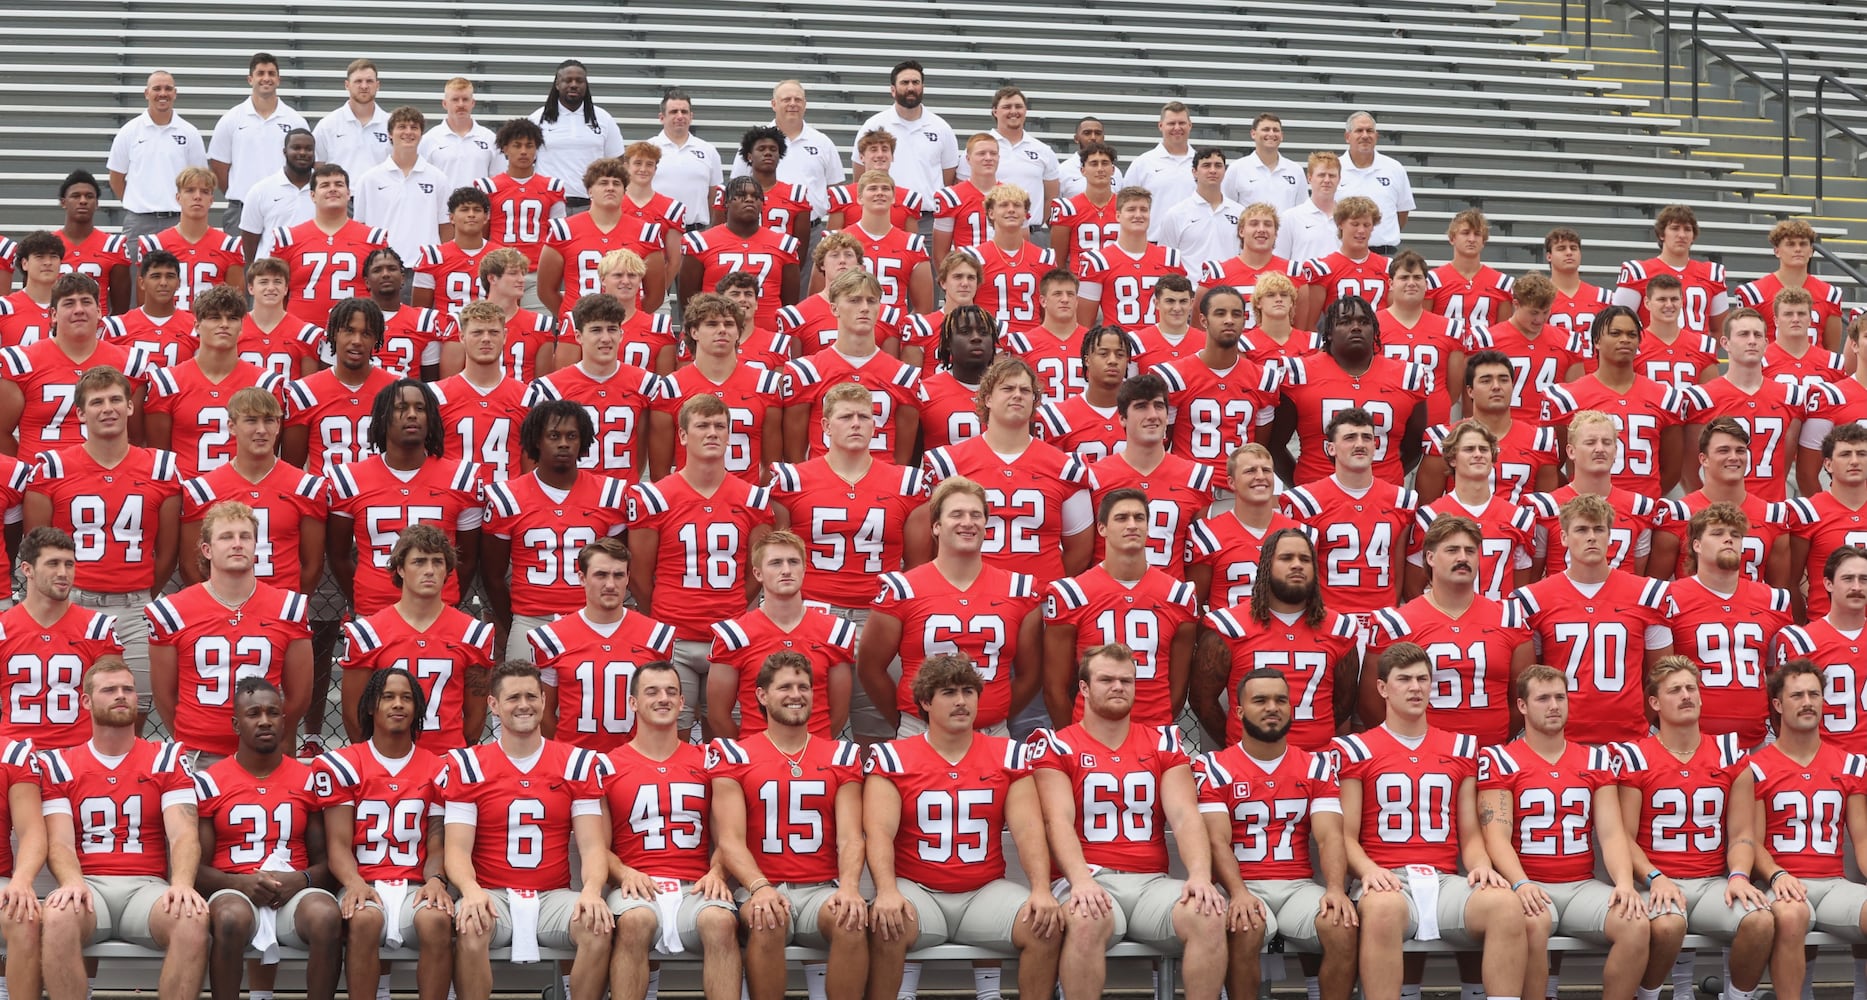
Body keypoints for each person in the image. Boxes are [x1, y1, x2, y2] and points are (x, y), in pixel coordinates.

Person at [1029, 644, 1227, 1000]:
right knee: (1086, 920)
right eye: (1106, 679)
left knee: (1207, 913)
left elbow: (1184, 815)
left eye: (1127, 680)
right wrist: (1080, 880)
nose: (1118, 687)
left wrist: (1199, 875)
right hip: (1090, 876)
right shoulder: (1058, 745)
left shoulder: (1163, 742)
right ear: (1084, 688)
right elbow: (1057, 821)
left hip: (1150, 882)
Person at [863, 655, 1064, 1000]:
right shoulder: (894, 757)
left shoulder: (1008, 754)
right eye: (949, 692)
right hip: (918, 891)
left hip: (984, 892)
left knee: (1044, 926)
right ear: (925, 702)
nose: (961, 701)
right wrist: (886, 890)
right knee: (886, 924)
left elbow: (1029, 830)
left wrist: (1041, 889)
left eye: (968, 691)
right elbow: (879, 833)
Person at [1336, 643, 1526, 1000]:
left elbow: (1470, 834)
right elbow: (1344, 836)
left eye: (1423, 679)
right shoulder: (1357, 749)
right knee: (1383, 909)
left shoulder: (1460, 748)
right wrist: (1368, 871)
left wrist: (1482, 866)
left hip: (1442, 880)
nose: (1415, 687)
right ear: (1382, 688)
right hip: (1387, 878)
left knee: (1505, 905)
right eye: (1404, 679)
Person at [1475, 665, 1650, 1000]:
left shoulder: (1594, 759)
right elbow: (1495, 836)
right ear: (1522, 706)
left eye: (1560, 697)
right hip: (1530, 882)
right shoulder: (1501, 759)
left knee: (1636, 923)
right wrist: (1520, 883)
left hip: (1581, 885)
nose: (1554, 705)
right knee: (1532, 923)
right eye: (1543, 698)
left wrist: (1625, 884)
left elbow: (1612, 834)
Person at [443, 661, 614, 1000]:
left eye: (531, 696)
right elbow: (457, 850)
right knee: (471, 923)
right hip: (493, 893)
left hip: (553, 895)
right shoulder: (469, 765)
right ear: (493, 705)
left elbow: (593, 846)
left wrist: (593, 889)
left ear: (544, 700)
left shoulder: (575, 763)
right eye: (513, 698)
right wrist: (470, 889)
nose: (524, 705)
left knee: (597, 925)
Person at [769, 383, 930, 743]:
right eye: (846, 417)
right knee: (809, 726)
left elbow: (918, 569)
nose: (856, 424)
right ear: (825, 426)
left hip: (878, 617)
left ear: (876, 426)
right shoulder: (793, 481)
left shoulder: (906, 483)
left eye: (864, 417)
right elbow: (775, 557)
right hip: (813, 613)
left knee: (878, 730)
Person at [39, 656, 207, 1000]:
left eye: (128, 689)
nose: (121, 696)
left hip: (146, 889)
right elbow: (59, 841)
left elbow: (183, 833)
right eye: (110, 689)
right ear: (86, 701)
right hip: (89, 887)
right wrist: (72, 882)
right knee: (57, 916)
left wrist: (182, 884)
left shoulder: (166, 757)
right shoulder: (60, 763)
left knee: (191, 916)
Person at [22, 366, 178, 722]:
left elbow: (167, 550)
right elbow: (37, 545)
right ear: (80, 412)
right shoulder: (53, 467)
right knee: (72, 716)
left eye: (114, 400)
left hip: (136, 608)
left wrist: (139, 590)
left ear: (129, 407)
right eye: (96, 402)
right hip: (72, 605)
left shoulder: (160, 468)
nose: (106, 408)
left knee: (131, 715)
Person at [709, 654, 868, 1000]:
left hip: (820, 888)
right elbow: (730, 840)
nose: (796, 694)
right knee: (768, 919)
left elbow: (851, 836)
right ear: (762, 696)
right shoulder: (737, 755)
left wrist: (851, 887)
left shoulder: (839, 755)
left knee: (851, 919)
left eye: (803, 687)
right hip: (760, 887)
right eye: (785, 687)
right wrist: (759, 887)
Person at [1195, 667, 1358, 1000]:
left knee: (1341, 924)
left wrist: (1336, 890)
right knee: (1246, 924)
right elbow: (1216, 841)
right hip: (1241, 884)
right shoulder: (1214, 766)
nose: (1272, 707)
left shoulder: (1316, 766)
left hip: (1297, 885)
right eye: (1260, 700)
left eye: (1281, 700)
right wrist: (1238, 892)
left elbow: (1329, 837)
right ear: (1239, 711)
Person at [1615, 657, 1772, 1000]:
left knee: (1760, 920)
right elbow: (1622, 837)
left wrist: (1740, 875)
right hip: (1656, 881)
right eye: (1675, 690)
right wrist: (1655, 878)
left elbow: (1743, 832)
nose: (1686, 696)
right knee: (1669, 925)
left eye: (1691, 688)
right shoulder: (1636, 756)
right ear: (1654, 703)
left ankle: (1737, 996)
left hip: (1710, 882)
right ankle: (1648, 995)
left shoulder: (1729, 753)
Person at [628, 394, 775, 734]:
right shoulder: (654, 497)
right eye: (702, 425)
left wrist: (737, 604)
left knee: (728, 739)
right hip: (674, 636)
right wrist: (667, 614)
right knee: (668, 737)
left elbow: (757, 572)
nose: (712, 433)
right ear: (682, 435)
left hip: (729, 636)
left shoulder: (753, 498)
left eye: (720, 426)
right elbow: (639, 574)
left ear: (729, 435)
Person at [857, 476, 1042, 737]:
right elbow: (870, 668)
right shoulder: (903, 589)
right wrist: (908, 717)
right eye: (957, 514)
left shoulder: (1019, 590)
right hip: (919, 731)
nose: (968, 522)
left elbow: (1030, 676)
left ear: (986, 525)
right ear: (936, 526)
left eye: (976, 515)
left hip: (992, 732)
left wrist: (995, 711)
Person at [194, 677, 342, 1000]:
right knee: (231, 919)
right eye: (254, 713)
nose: (264, 720)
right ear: (236, 724)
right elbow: (195, 871)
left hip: (293, 895)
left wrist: (299, 880)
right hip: (233, 890)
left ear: (285, 720)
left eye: (273, 712)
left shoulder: (308, 780)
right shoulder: (209, 783)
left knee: (327, 916)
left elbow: (328, 863)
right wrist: (240, 884)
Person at [315, 666, 453, 1000]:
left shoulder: (438, 768)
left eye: (407, 697)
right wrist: (354, 884)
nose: (398, 704)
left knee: (436, 920)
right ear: (369, 706)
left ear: (418, 708)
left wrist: (436, 880)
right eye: (388, 696)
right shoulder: (345, 764)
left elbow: (436, 843)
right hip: (365, 880)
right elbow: (337, 845)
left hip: (415, 885)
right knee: (363, 921)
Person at [605, 660, 740, 1000]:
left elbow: (730, 834)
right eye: (651, 692)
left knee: (721, 923)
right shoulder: (606, 765)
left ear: (683, 703)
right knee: (634, 922)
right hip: (637, 887)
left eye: (671, 692)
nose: (662, 699)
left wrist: (718, 871)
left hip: (694, 886)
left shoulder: (709, 758)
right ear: (633, 702)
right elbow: (596, 846)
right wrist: (623, 873)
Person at [148, 500, 311, 763]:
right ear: (207, 549)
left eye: (245, 536)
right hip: (198, 753)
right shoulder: (172, 612)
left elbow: (299, 695)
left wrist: (270, 735)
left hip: (262, 753)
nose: (237, 543)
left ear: (255, 546)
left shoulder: (289, 607)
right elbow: (165, 696)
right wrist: (194, 735)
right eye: (226, 537)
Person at [1745, 658, 1867, 1000]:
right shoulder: (1755, 767)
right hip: (1782, 882)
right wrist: (1776, 875)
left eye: (1815, 694)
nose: (1808, 702)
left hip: (1832, 884)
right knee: (1790, 913)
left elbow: (1863, 839)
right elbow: (1750, 841)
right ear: (1778, 704)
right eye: (1797, 695)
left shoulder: (1850, 763)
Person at [1510, 494, 1673, 745]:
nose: (1591, 537)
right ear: (1563, 537)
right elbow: (1528, 678)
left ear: (1610, 536)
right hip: (1561, 739)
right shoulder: (1534, 599)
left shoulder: (1648, 594)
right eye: (1581, 529)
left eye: (1599, 529)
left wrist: (1638, 718)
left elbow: (1660, 675)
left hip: (1630, 738)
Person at [922, 355, 1090, 584]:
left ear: (1035, 401)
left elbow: (1079, 550)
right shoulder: (947, 463)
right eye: (1008, 388)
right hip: (971, 597)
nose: (1017, 395)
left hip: (1040, 598)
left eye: (1025, 390)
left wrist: (1044, 587)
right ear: (988, 399)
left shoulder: (1065, 468)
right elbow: (930, 541)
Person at [327, 379, 484, 618]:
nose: (412, 415)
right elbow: (339, 556)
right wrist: (367, 597)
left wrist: (442, 599)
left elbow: (467, 559)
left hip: (439, 612)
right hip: (373, 613)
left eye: (420, 409)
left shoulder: (462, 478)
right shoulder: (348, 479)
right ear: (382, 417)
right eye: (401, 408)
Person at [1042, 488, 1200, 726]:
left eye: (1139, 518)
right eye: (1121, 517)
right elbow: (1055, 688)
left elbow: (1177, 690)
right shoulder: (1072, 594)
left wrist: (1156, 724)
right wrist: (1076, 737)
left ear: (1148, 527)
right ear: (1102, 528)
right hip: (1090, 733)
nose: (1132, 525)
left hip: (1153, 731)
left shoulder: (1179, 595)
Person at [1191, 527, 1359, 750]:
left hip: (1316, 763)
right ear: (1266, 565)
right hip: (1249, 765)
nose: (1297, 564)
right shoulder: (1229, 627)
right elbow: (1203, 701)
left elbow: (1343, 703)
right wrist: (1243, 746)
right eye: (1286, 558)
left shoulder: (1340, 629)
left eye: (1305, 559)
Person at [1372, 514, 1533, 746]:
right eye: (1452, 550)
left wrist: (1493, 737)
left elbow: (1523, 699)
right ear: (1430, 557)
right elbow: (1374, 703)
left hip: (1490, 755)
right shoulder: (1398, 623)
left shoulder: (1509, 618)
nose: (1462, 558)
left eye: (1470, 551)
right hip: (1423, 758)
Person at [482, 395, 627, 634]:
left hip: (592, 617)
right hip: (531, 618)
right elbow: (493, 576)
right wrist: (515, 623)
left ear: (583, 441)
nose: (563, 443)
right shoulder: (506, 497)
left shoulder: (610, 494)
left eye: (571, 436)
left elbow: (619, 564)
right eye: (553, 436)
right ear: (537, 440)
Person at [339, 526, 495, 746]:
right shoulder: (367, 633)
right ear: (400, 569)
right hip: (389, 761)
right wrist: (377, 760)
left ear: (447, 570)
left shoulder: (474, 633)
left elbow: (475, 718)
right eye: (419, 561)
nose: (430, 570)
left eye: (437, 562)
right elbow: (354, 715)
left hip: (447, 760)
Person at [1283, 406, 1421, 645]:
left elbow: (1398, 566)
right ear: (1331, 448)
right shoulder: (1306, 501)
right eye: (1350, 437)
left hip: (1381, 620)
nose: (1360, 444)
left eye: (1367, 437)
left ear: (1376, 445)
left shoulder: (1402, 500)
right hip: (1329, 621)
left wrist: (1391, 613)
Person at [523, 532, 673, 752]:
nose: (611, 584)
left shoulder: (656, 636)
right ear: (582, 578)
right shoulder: (552, 638)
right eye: (601, 575)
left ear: (628, 578)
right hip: (574, 760)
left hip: (637, 761)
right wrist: (566, 755)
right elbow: (544, 712)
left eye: (618, 575)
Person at [1661, 501, 1793, 747]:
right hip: (1690, 743)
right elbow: (1658, 675)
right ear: (1696, 545)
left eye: (1735, 534)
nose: (1729, 539)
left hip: (1756, 740)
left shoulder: (1774, 599)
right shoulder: (1668, 597)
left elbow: (1779, 677)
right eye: (1717, 533)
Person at [709, 530, 855, 740]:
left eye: (793, 562)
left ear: (804, 569)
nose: (786, 570)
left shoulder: (835, 632)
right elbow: (718, 716)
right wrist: (750, 752)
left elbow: (839, 712)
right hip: (756, 757)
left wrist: (812, 747)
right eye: (776, 563)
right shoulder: (734, 635)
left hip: (817, 755)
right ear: (758, 573)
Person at [1272, 296, 1432, 487]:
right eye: (1345, 321)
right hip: (1317, 500)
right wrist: (1303, 488)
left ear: (1374, 330)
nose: (1356, 327)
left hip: (1384, 500)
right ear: (1329, 332)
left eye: (1364, 322)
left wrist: (1384, 482)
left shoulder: (1408, 376)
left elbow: (1414, 448)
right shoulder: (1299, 374)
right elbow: (1274, 446)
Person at [179, 386, 325, 593]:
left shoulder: (306, 487)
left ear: (278, 426)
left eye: (269, 420)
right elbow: (190, 566)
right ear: (231, 426)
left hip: (281, 609)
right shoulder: (203, 490)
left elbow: (313, 566)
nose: (261, 430)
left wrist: (289, 606)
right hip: (223, 606)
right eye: (251, 420)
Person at [1, 273, 157, 458]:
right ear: (53, 315)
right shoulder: (22, 362)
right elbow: (2, 433)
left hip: (104, 476)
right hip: (42, 479)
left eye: (86, 302)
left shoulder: (129, 362)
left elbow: (136, 437)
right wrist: (27, 472)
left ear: (99, 311)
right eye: (69, 303)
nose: (79, 310)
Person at [1544, 305, 1688, 499]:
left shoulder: (1665, 397)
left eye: (1631, 334)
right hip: (1587, 514)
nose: (1624, 340)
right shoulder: (1567, 397)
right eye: (1615, 333)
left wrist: (1638, 503)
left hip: (1643, 513)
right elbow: (1550, 467)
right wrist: (1578, 496)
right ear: (1596, 341)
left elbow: (1672, 470)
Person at [144, 284, 286, 479]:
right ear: (196, 326)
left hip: (244, 495)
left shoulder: (265, 383)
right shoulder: (167, 382)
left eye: (232, 318)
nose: (224, 324)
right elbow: (161, 455)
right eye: (215, 317)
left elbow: (270, 453)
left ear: (242, 327)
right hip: (188, 495)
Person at [0, 528, 124, 749]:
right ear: (27, 569)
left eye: (69, 564)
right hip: (16, 755)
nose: (63, 572)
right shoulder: (3, 629)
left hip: (78, 755)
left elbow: (113, 700)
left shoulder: (96, 628)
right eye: (53, 563)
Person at [781, 269, 921, 463]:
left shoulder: (904, 376)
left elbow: (902, 460)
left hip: (882, 486)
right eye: (854, 300)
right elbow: (795, 458)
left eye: (871, 301)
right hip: (822, 484)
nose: (864, 308)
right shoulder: (806, 372)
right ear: (834, 308)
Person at [522, 293, 662, 482]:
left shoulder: (646, 384)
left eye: (612, 329)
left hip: (621, 495)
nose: (606, 338)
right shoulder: (550, 389)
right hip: (571, 495)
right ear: (578, 336)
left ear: (621, 334)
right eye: (596, 330)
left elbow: (643, 450)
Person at [1153, 285, 1281, 491]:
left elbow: (1260, 446)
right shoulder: (1174, 376)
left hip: (1240, 490)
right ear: (1203, 320)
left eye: (1236, 314)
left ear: (1245, 320)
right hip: (1189, 487)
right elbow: (1161, 444)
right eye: (1220, 313)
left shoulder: (1264, 378)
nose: (1229, 320)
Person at [1679, 307, 1812, 502]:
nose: (1752, 341)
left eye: (1757, 335)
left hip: (1769, 511)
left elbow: (1783, 465)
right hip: (1720, 513)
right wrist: (1706, 508)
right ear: (1725, 343)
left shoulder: (1791, 396)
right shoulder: (1702, 398)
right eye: (1743, 334)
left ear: (1766, 343)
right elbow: (1689, 469)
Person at [1085, 374, 1214, 574]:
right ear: (1122, 418)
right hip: (1110, 599)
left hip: (1168, 600)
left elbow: (1197, 559)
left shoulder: (1196, 477)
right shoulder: (1094, 476)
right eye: (1141, 406)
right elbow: (1081, 553)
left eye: (1159, 406)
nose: (1153, 414)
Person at [1401, 421, 1535, 602]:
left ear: (1493, 457)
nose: (1478, 454)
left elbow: (1520, 591)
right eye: (1469, 449)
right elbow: (1412, 589)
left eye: (1484, 449)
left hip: (1497, 624)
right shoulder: (1429, 517)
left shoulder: (1519, 518)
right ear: (1452, 459)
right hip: (1448, 624)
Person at [1650, 419, 1793, 585]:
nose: (1734, 457)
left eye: (1740, 451)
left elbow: (1779, 592)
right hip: (1694, 608)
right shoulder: (1678, 514)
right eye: (1723, 450)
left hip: (1751, 610)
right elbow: (1656, 589)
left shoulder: (1772, 516)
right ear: (1703, 459)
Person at [1523, 408, 1662, 576]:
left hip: (1621, 600)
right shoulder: (1547, 507)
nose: (1600, 449)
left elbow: (1638, 577)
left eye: (1607, 442)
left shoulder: (1640, 507)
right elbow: (1535, 577)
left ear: (1616, 450)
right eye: (1590, 442)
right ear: (1571, 451)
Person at [1415, 349, 1561, 504]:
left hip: (1516, 527)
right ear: (1470, 391)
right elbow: (1428, 510)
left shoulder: (1540, 440)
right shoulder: (1443, 438)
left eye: (1504, 380)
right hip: (1461, 526)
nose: (1496, 386)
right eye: (1486, 380)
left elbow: (1545, 510)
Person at [281, 296, 397, 475]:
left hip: (379, 499)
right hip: (325, 498)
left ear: (376, 338)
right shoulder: (304, 392)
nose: (357, 340)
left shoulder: (396, 390)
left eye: (366, 333)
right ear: (334, 333)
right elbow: (293, 470)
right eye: (349, 331)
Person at [268, 164, 392, 325]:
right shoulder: (288, 238)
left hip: (356, 330)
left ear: (348, 194)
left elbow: (384, 292)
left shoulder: (373, 238)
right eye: (325, 185)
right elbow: (275, 291)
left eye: (339, 184)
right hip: (300, 331)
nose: (332, 189)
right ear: (312, 195)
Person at [1186, 444, 1302, 608]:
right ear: (1231, 482)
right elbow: (1194, 606)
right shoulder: (1206, 536)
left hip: (1282, 631)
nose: (1260, 476)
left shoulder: (1300, 533)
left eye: (1266, 470)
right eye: (1250, 471)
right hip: (1229, 631)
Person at [682, 175, 802, 331]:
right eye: (741, 196)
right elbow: (690, 301)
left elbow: (789, 302)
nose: (749, 200)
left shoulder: (784, 244)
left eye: (755, 197)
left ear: (762, 204)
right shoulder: (700, 243)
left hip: (767, 335)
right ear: (726, 203)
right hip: (715, 332)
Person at [108, 71, 210, 254]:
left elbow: (201, 180)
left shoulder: (190, 133)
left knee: (181, 279)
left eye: (168, 89)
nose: (163, 93)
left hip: (179, 222)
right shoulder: (129, 132)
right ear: (147, 93)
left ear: (175, 93)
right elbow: (116, 177)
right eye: (157, 88)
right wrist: (137, 203)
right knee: (135, 280)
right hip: (139, 223)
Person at [209, 53, 308, 238]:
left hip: (284, 209)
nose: (266, 78)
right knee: (242, 266)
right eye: (260, 73)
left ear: (279, 79)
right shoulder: (231, 119)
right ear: (250, 79)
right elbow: (219, 165)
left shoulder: (296, 121)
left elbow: (304, 166)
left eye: (271, 73)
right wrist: (240, 193)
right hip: (241, 209)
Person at [430, 298, 529, 481]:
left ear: (505, 336)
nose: (486, 339)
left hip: (507, 502)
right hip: (455, 502)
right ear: (461, 337)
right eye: (477, 332)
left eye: (493, 332)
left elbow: (530, 468)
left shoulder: (527, 398)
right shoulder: (436, 396)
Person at [1464, 271, 1582, 423]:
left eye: (1545, 312)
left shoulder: (1567, 340)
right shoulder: (1486, 339)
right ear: (1516, 305)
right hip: (1500, 427)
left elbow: (1573, 398)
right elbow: (1470, 399)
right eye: (1533, 313)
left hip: (1547, 432)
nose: (1539, 319)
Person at [1778, 546, 1867, 739]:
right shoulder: (1803, 641)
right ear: (1828, 583)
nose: (1857, 587)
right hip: (1827, 762)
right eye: (1848, 578)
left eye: (1864, 579)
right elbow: (1783, 713)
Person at [477, 117, 567, 307]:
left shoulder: (552, 186)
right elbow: (482, 236)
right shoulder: (489, 187)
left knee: (538, 331)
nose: (524, 151)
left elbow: (558, 237)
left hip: (537, 273)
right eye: (517, 145)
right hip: (500, 272)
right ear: (505, 148)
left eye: (529, 145)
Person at [729, 80, 844, 222]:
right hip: (763, 226)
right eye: (786, 99)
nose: (793, 104)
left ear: (805, 104)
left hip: (812, 229)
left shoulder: (823, 143)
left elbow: (835, 189)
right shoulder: (754, 141)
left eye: (798, 99)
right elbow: (737, 185)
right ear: (774, 104)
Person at [1075, 187, 1191, 328]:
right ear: (1118, 216)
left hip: (1158, 344)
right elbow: (1084, 323)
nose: (1138, 215)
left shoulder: (1170, 258)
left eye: (1144, 210)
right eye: (1131, 209)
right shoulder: (1097, 261)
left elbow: (1180, 313)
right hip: (1118, 345)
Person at [1612, 204, 1731, 339]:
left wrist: (1704, 352)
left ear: (1693, 236)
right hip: (1652, 356)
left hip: (1697, 357)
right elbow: (1617, 324)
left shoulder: (1711, 273)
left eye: (1687, 229)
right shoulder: (1639, 272)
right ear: (1662, 234)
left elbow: (1719, 330)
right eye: (1674, 228)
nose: (1681, 235)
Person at [852, 60, 958, 211]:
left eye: (916, 82)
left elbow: (948, 178)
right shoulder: (873, 125)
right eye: (904, 82)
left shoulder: (941, 128)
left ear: (923, 88)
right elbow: (859, 176)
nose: (910, 87)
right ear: (893, 90)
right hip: (885, 215)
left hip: (927, 219)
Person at [1787, 425, 1867, 622]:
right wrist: (1808, 632)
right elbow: (1791, 582)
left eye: (1862, 453)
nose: (1855, 461)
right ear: (1828, 464)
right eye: (1846, 454)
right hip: (1825, 629)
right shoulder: (1808, 512)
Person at [354, 107, 454, 264]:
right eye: (402, 127)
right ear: (389, 134)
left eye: (414, 127)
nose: (408, 132)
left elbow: (446, 226)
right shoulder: (369, 179)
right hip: (383, 266)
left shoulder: (438, 178)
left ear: (421, 134)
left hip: (425, 267)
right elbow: (359, 227)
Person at [138, 166, 244, 312]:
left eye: (205, 192)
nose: (197, 196)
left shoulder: (229, 245)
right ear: (178, 197)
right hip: (168, 328)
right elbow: (145, 304)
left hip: (210, 328)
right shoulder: (154, 244)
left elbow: (235, 304)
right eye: (190, 190)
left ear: (211, 200)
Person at [1381, 249, 1466, 425]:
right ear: (1391, 283)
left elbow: (1453, 390)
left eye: (1417, 278)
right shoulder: (1372, 324)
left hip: (1434, 425)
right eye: (1404, 278)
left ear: (1426, 284)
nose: (1411, 283)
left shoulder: (1451, 328)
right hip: (1387, 423)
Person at [529, 60, 625, 211]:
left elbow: (617, 163)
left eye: (579, 81)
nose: (573, 84)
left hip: (592, 205)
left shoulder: (603, 119)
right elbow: (524, 161)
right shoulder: (537, 119)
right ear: (557, 84)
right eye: (567, 80)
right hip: (549, 204)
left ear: (586, 85)